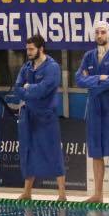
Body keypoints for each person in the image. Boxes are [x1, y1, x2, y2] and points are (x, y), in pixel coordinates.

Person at [75, 20, 109, 204]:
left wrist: (92, 83)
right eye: (97, 32)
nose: (99, 35)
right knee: (96, 152)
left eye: (103, 32)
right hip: (94, 107)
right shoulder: (89, 56)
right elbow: (78, 80)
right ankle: (98, 194)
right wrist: (99, 78)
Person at [14, 35, 67, 201]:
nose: (28, 52)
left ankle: (62, 194)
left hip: (46, 116)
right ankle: (27, 192)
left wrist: (28, 88)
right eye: (27, 49)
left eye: (31, 49)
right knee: (28, 152)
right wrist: (29, 89)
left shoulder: (52, 67)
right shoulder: (27, 67)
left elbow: (44, 90)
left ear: (41, 48)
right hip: (28, 115)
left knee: (53, 152)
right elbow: (17, 88)